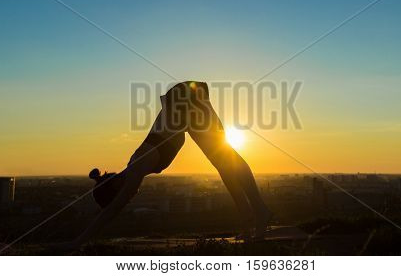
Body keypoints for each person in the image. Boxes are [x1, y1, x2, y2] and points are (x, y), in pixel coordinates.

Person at [62, 81, 272, 250]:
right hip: (183, 100)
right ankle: (247, 215)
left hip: (184, 100)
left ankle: (259, 211)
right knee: (222, 161)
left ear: (116, 190)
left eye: (122, 199)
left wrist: (75, 243)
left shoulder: (135, 170)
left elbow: (110, 213)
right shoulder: (134, 166)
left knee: (225, 157)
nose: (129, 199)